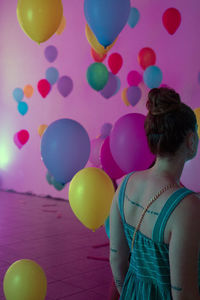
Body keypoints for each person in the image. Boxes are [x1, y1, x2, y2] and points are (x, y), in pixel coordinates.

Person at [109, 87, 200, 299]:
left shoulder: (125, 185)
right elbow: (182, 293)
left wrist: (131, 293)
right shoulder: (187, 206)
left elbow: (116, 259)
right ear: (191, 141)